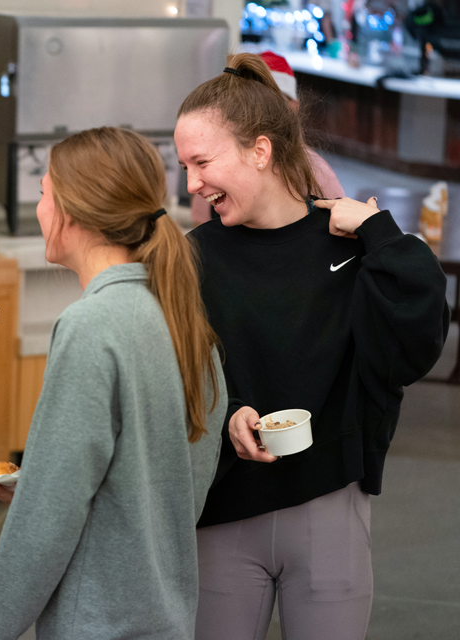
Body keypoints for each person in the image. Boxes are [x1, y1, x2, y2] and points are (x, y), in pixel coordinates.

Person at [175, 53, 450, 640]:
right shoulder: (190, 257)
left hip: (330, 506)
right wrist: (226, 417)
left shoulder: (348, 245)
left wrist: (379, 231)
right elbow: (172, 376)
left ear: (261, 151)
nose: (191, 184)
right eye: (185, 167)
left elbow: (420, 332)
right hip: (223, 509)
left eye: (201, 162)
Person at [0, 127, 227, 639]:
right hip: (166, 620)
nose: (40, 209)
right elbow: (174, 478)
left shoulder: (91, 327)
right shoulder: (182, 314)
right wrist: (42, 481)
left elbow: (45, 525)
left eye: (43, 194)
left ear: (71, 212)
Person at [189, 50, 344, 225]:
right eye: (251, 105)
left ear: (294, 106)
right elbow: (200, 229)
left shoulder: (317, 176)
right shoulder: (215, 170)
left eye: (273, 104)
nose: (261, 114)